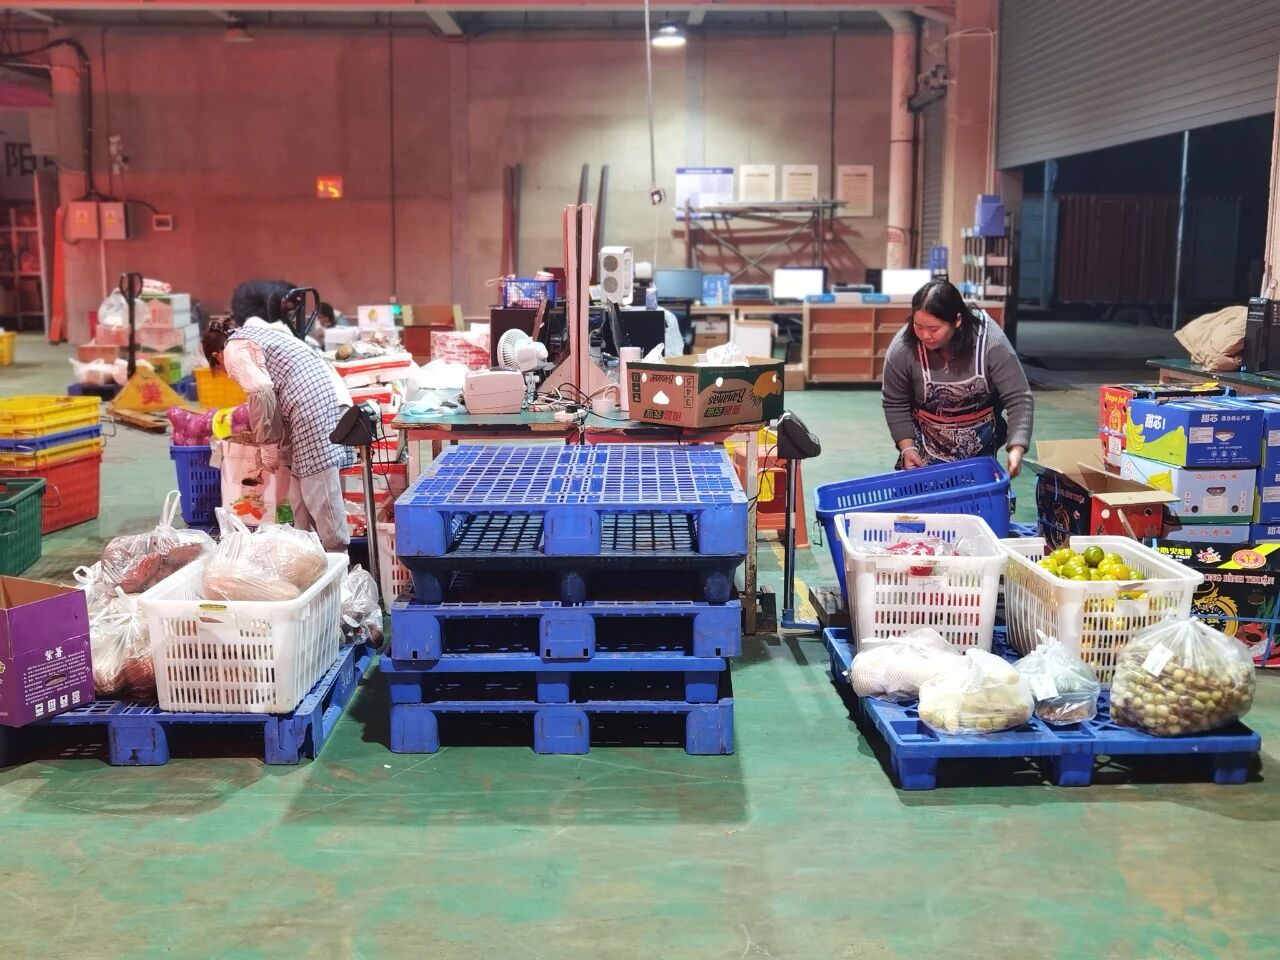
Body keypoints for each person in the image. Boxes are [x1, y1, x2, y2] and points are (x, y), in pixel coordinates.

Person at [202, 314, 355, 551]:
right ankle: (307, 548)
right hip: (315, 394)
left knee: (318, 482)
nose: (227, 373)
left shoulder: (233, 350)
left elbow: (261, 395)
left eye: (220, 369)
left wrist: (267, 445)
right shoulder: (250, 333)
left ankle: (336, 552)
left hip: (310, 401)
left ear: (216, 356)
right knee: (299, 486)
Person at [881, 279, 1033, 478]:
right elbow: (895, 402)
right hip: (925, 443)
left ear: (957, 320)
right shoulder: (902, 348)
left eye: (934, 329)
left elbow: (1018, 397)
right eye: (918, 326)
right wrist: (907, 449)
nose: (925, 335)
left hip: (981, 440)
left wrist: (1017, 449)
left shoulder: (991, 342)